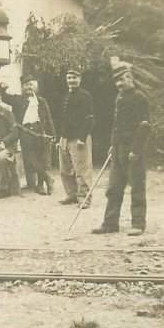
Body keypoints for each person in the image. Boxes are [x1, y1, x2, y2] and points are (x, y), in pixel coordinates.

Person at [92, 65, 151, 236]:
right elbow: (116, 126)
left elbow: (145, 126)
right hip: (118, 150)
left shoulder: (140, 98)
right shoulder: (119, 97)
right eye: (117, 81)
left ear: (130, 79)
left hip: (133, 151)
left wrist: (136, 149)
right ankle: (110, 223)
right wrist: (112, 145)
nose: (119, 83)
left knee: (137, 188)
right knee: (114, 188)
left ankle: (138, 224)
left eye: (122, 79)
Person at [0, 74, 56, 195]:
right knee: (30, 159)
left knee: (41, 158)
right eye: (26, 85)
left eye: (30, 84)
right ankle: (48, 178)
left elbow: (48, 117)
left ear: (34, 86)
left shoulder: (41, 101)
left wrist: (52, 133)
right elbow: (3, 97)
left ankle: (40, 185)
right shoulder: (18, 100)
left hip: (40, 131)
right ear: (22, 87)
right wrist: (2, 88)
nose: (29, 87)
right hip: (25, 131)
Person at [56, 69, 94, 208]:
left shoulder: (85, 96)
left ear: (80, 79)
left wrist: (82, 138)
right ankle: (71, 195)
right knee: (65, 170)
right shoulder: (66, 95)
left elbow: (89, 119)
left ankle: (84, 198)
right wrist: (60, 138)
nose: (71, 80)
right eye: (69, 77)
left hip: (78, 138)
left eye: (74, 77)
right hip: (65, 138)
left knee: (82, 170)